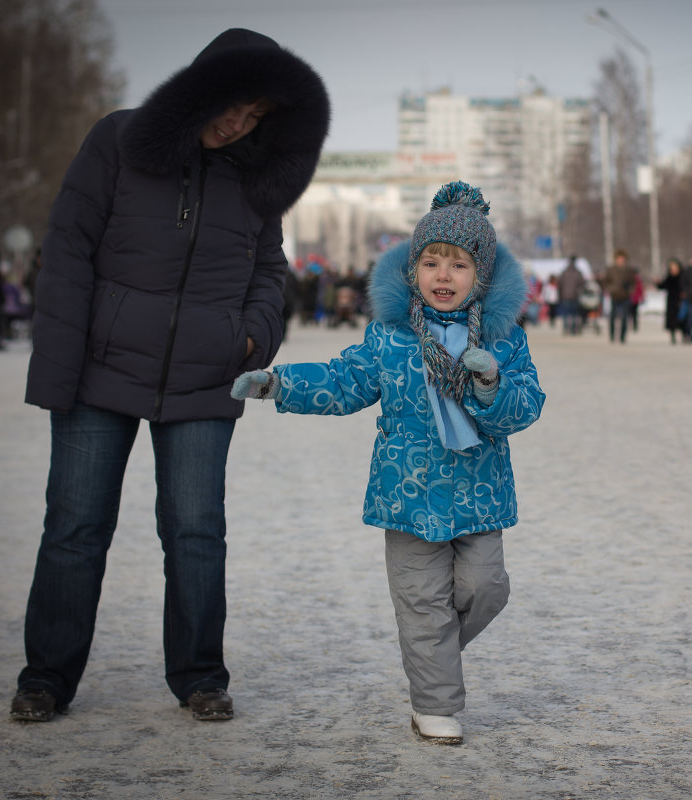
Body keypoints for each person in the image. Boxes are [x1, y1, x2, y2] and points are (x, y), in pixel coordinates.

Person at [10, 28, 330, 724]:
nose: (237, 123)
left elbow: (269, 272)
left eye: (255, 117)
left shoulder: (256, 180)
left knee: (195, 530)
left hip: (204, 380)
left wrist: (252, 337)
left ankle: (199, 676)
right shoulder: (118, 140)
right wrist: (57, 372)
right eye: (232, 106)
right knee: (75, 525)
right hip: (101, 371)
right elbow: (67, 250)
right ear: (199, 87)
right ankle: (45, 678)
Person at [231, 181, 545, 745]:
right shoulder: (390, 337)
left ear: (483, 278)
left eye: (459, 265)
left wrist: (491, 383)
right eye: (432, 262)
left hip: (480, 493)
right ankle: (435, 704)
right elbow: (342, 380)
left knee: (486, 588)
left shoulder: (506, 341)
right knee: (424, 606)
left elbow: (524, 409)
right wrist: (280, 385)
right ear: (413, 270)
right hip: (406, 495)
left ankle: (432, 653)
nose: (443, 276)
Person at [603, 249, 638, 343]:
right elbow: (605, 282)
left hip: (625, 296)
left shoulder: (629, 270)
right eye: (619, 258)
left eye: (622, 258)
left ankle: (622, 336)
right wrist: (610, 289)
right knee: (612, 317)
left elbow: (633, 283)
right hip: (614, 295)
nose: (621, 260)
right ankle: (612, 335)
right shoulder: (611, 270)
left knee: (625, 318)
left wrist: (631, 290)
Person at [656, 257, 683, 344]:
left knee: (682, 318)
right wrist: (658, 283)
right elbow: (663, 286)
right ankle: (673, 336)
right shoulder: (669, 277)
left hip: (680, 300)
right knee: (671, 319)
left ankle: (684, 334)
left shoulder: (682, 277)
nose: (674, 269)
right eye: (672, 267)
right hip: (671, 300)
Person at [557, 255, 586, 335]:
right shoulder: (578, 272)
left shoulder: (564, 272)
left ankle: (566, 329)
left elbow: (559, 285)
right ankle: (573, 329)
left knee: (566, 314)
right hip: (575, 296)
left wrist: (559, 296)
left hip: (565, 296)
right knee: (574, 313)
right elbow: (583, 283)